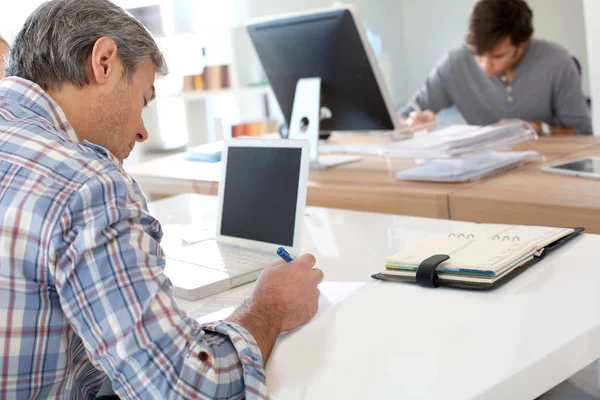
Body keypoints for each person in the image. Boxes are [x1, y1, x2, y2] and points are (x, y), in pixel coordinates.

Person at [0, 0, 323, 398]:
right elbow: (184, 387)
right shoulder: (86, 185)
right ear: (103, 62)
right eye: (143, 99)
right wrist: (270, 307)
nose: (142, 133)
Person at [398, 0, 592, 136]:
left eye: (498, 56)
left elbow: (583, 131)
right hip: (482, 170)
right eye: (478, 55)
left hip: (545, 165)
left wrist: (539, 129)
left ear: (522, 44)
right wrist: (411, 122)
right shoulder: (454, 63)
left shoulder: (556, 60)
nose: (485, 66)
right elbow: (402, 116)